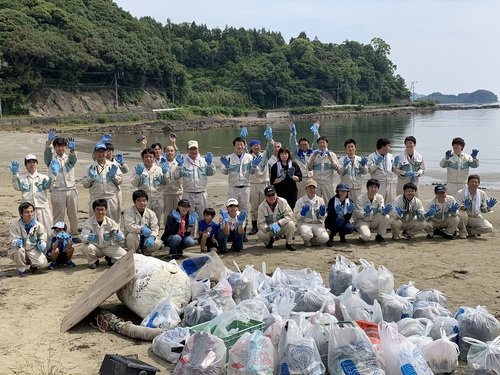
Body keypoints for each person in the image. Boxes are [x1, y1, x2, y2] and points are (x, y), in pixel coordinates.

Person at [43, 129, 80, 243]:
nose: (61, 148)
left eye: (63, 146)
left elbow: (73, 160)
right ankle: (58, 233)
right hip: (57, 189)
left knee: (73, 213)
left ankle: (74, 234)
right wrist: (49, 141)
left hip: (71, 188)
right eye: (58, 146)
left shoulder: (68, 157)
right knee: (58, 214)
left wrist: (73, 150)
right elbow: (47, 152)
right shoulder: (51, 159)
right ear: (55, 147)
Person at [10, 154, 53, 235]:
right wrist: (15, 174)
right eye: (29, 162)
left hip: (42, 207)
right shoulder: (22, 178)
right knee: (29, 231)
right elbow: (17, 187)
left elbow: (50, 186)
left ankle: (47, 247)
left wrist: (53, 174)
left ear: (37, 164)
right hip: (28, 209)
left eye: (34, 162)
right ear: (26, 165)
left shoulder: (43, 177)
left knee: (47, 230)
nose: (32, 164)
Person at [220, 136, 253, 241]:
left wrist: (254, 167)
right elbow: (224, 172)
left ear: (244, 146)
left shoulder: (249, 157)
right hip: (233, 187)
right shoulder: (229, 158)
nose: (239, 146)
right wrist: (227, 166)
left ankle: (242, 233)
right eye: (237, 144)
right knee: (231, 209)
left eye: (241, 144)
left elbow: (253, 172)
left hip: (245, 187)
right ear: (234, 146)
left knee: (244, 210)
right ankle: (229, 231)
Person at [173, 140, 216, 220]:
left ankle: (201, 233)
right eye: (191, 149)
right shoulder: (182, 161)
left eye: (195, 149)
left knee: (203, 218)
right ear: (187, 150)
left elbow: (211, 173)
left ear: (198, 149)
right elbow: (176, 175)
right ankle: (189, 233)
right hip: (188, 194)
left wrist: (210, 164)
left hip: (202, 193)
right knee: (188, 219)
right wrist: (179, 166)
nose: (193, 151)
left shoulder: (203, 161)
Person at [82, 143, 123, 223]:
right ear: (94, 153)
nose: (101, 154)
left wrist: (113, 176)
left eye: (103, 151)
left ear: (106, 153)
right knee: (95, 222)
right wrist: (91, 178)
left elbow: (120, 181)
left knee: (113, 222)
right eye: (98, 152)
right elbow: (85, 185)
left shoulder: (113, 166)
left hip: (110, 198)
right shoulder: (90, 167)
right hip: (96, 198)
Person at [81, 199, 126, 269]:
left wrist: (119, 237)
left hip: (108, 246)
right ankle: (93, 261)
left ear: (106, 210)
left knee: (124, 256)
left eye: (102, 209)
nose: (100, 212)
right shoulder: (88, 223)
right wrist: (87, 237)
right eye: (97, 209)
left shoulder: (111, 223)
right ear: (93, 210)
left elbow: (121, 236)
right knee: (86, 247)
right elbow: (83, 237)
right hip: (95, 247)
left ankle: (110, 259)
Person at [9, 202, 49, 276]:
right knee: (19, 250)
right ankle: (22, 269)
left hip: (32, 248)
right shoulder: (14, 225)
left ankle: (33, 264)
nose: (30, 214)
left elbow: (42, 238)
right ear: (21, 214)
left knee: (43, 264)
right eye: (27, 212)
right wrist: (16, 242)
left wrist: (42, 243)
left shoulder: (39, 225)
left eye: (31, 211)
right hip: (20, 248)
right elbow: (13, 239)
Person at [131, 147, 170, 223]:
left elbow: (166, 183)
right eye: (146, 157)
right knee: (144, 221)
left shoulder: (159, 169)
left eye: (151, 157)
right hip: (145, 200)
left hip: (158, 199)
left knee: (156, 221)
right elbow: (134, 184)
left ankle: (156, 234)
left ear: (154, 158)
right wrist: (138, 175)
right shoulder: (138, 169)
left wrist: (165, 174)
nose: (148, 159)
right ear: (142, 158)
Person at [455, 174, 496, 239]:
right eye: (472, 182)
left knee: (489, 228)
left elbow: (483, 210)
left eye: (476, 182)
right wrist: (465, 206)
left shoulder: (482, 194)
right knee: (461, 214)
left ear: (478, 184)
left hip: (476, 216)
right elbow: (458, 207)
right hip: (464, 217)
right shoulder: (460, 193)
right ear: (468, 183)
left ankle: (470, 231)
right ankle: (462, 232)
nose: (474, 184)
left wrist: (488, 207)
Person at [123, 190, 163, 255]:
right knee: (132, 236)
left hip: (145, 239)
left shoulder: (151, 213)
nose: (142, 203)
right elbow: (129, 226)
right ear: (134, 202)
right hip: (134, 239)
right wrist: (141, 229)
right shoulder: (128, 212)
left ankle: (145, 253)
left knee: (158, 243)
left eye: (144, 200)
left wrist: (152, 237)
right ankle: (132, 254)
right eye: (139, 200)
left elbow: (155, 228)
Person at [257, 185, 296, 251]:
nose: (271, 197)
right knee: (260, 233)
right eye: (269, 196)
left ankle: (289, 243)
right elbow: (261, 223)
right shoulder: (261, 207)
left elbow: (289, 215)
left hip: (282, 227)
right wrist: (267, 228)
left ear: (276, 194)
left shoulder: (283, 201)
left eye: (273, 194)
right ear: (265, 197)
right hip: (271, 229)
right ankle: (269, 241)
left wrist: (279, 223)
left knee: (291, 224)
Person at [248, 138, 274, 235]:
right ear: (251, 147)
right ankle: (254, 226)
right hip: (253, 184)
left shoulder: (264, 155)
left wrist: (270, 140)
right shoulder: (248, 157)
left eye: (258, 145)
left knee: (266, 204)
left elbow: (270, 148)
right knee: (254, 206)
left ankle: (266, 224)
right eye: (254, 146)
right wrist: (253, 166)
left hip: (264, 183)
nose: (257, 147)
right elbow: (249, 171)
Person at [354, 179, 391, 244]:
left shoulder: (379, 197)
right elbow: (359, 214)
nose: (373, 189)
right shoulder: (360, 199)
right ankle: (361, 233)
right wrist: (366, 213)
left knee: (386, 217)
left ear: (378, 189)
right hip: (363, 221)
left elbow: (381, 208)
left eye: (375, 187)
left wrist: (383, 212)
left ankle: (379, 236)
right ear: (367, 188)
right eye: (371, 187)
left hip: (373, 220)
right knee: (366, 237)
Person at [293, 179, 329, 247]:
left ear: (316, 189)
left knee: (325, 238)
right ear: (306, 189)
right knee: (307, 235)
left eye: (313, 188)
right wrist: (302, 213)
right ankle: (307, 240)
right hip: (304, 223)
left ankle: (314, 239)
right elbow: (296, 217)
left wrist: (322, 214)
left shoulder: (320, 200)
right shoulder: (300, 201)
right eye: (310, 188)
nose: (312, 190)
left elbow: (322, 218)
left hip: (317, 223)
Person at [307, 136, 339, 203]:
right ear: (317, 144)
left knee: (329, 201)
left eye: (323, 143)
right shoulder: (314, 154)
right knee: (315, 200)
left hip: (327, 182)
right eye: (320, 143)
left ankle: (329, 213)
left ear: (327, 144)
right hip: (316, 181)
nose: (322, 144)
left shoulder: (332, 154)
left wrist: (331, 160)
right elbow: (309, 169)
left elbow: (336, 168)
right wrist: (312, 160)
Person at [288, 121, 317, 197]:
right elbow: (293, 143)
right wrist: (293, 133)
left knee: (312, 196)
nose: (304, 146)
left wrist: (316, 132)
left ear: (309, 145)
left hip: (311, 178)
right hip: (301, 179)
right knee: (300, 196)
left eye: (305, 144)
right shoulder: (297, 153)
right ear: (299, 146)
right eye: (302, 145)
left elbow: (317, 142)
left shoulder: (313, 152)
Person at [337, 139, 368, 203]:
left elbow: (365, 172)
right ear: (345, 149)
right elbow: (340, 172)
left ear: (355, 148)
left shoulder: (360, 159)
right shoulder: (341, 160)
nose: (350, 149)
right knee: (346, 204)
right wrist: (344, 166)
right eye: (348, 147)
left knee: (357, 205)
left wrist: (363, 165)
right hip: (345, 188)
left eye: (352, 147)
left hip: (357, 187)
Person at [367, 138, 395, 204]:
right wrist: (376, 163)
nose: (389, 148)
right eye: (388, 146)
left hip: (389, 183)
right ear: (383, 147)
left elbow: (393, 169)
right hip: (378, 184)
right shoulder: (371, 157)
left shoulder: (390, 156)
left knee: (389, 203)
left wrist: (396, 165)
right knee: (378, 202)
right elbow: (370, 170)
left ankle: (388, 214)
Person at [163, 139, 183, 220]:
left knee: (180, 217)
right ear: (164, 153)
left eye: (172, 151)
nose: (170, 153)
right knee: (167, 217)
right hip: (166, 194)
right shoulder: (161, 164)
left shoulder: (179, 163)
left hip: (178, 193)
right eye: (167, 151)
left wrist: (173, 143)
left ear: (174, 153)